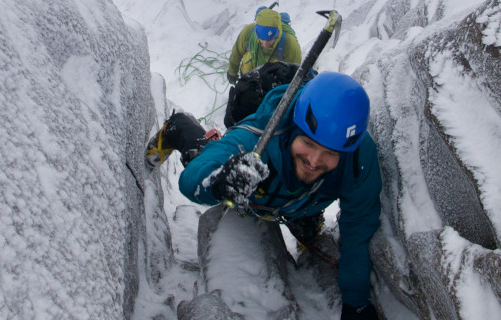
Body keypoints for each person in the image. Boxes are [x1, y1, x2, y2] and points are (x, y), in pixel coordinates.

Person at [146, 72, 382, 319]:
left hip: (299, 204)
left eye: (329, 154)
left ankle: (301, 218)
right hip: (253, 196)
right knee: (198, 153)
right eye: (309, 144)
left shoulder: (358, 157)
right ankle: (178, 127)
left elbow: (359, 222)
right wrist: (220, 182)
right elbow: (192, 178)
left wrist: (356, 302)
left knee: (308, 227)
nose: (314, 160)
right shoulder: (259, 136)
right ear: (294, 128)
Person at [226, 8, 302, 85]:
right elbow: (237, 52)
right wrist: (232, 73)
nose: (265, 44)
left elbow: (295, 73)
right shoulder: (248, 33)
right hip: (248, 78)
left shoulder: (290, 44)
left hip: (273, 86)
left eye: (270, 40)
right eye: (261, 39)